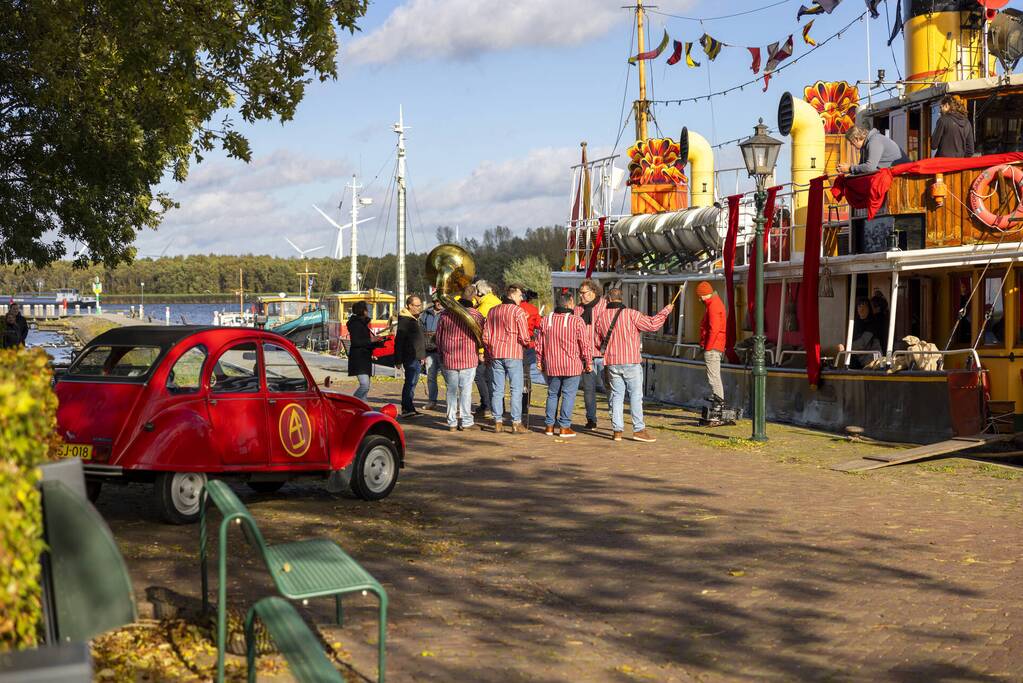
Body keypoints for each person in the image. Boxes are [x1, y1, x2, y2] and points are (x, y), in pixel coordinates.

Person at [595, 288, 673, 443]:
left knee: (617, 397)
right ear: (621, 298)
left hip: (611, 362)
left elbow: (598, 342)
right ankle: (639, 429)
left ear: (608, 300)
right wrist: (666, 311)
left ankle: (617, 431)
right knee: (636, 396)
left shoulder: (601, 317)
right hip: (630, 360)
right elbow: (652, 325)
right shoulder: (631, 314)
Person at [536, 292, 591, 438]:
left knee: (553, 394)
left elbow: (539, 344)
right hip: (572, 365)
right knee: (568, 395)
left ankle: (549, 426)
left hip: (552, 364)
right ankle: (564, 427)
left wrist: (539, 361)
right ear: (569, 304)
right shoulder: (577, 321)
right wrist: (588, 362)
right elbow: (584, 344)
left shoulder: (546, 320)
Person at [482, 284, 532, 434]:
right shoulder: (518, 312)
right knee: (516, 389)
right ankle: (516, 422)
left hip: (496, 353)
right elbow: (524, 337)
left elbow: (486, 336)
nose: (521, 298)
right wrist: (527, 342)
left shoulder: (492, 311)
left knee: (498, 389)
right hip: (513, 353)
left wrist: (490, 349)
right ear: (512, 295)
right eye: (519, 295)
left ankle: (498, 421)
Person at [434, 299, 485, 432]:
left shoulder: (445, 314)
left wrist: (440, 354)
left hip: (449, 357)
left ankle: (451, 422)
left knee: (451, 390)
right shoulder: (476, 315)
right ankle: (466, 421)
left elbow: (438, 337)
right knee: (466, 391)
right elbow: (481, 335)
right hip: (468, 357)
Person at [573, 278, 607, 430]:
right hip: (586, 357)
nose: (581, 296)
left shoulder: (605, 306)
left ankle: (616, 421)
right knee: (588, 391)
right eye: (579, 293)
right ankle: (591, 419)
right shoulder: (578, 310)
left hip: (604, 355)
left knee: (611, 390)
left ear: (593, 292)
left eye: (583, 293)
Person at [697, 282, 727, 422]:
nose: (700, 300)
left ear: (703, 295)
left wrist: (707, 347)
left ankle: (719, 408)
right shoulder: (715, 303)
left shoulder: (713, 306)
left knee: (713, 377)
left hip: (713, 347)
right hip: (716, 345)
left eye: (700, 297)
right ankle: (718, 406)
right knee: (715, 377)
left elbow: (714, 329)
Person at [394, 294, 426, 418]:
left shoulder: (413, 319)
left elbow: (417, 339)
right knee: (410, 382)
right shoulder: (405, 321)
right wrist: (398, 359)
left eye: (420, 305)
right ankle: (407, 408)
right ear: (409, 306)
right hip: (410, 357)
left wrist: (422, 355)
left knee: (412, 383)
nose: (419, 308)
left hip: (416, 357)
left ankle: (409, 407)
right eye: (416, 305)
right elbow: (399, 341)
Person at [472, 282, 500, 419]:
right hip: (497, 347)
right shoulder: (496, 301)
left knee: (479, 376)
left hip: (486, 348)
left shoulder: (484, 308)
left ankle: (488, 406)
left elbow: (481, 332)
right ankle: (487, 405)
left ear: (480, 293)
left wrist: (481, 351)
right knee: (490, 378)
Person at [346, 301, 383, 400]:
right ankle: (353, 402)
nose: (368, 311)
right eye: (367, 309)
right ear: (363, 311)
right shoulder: (356, 324)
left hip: (364, 358)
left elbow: (364, 341)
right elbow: (356, 342)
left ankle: (363, 408)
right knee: (364, 385)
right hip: (358, 359)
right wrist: (371, 339)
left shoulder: (362, 323)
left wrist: (378, 342)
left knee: (366, 388)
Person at [837, 125, 908, 175]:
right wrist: (848, 168)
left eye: (851, 142)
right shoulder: (865, 146)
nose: (852, 145)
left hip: (904, 176)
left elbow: (869, 167)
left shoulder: (874, 141)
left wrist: (850, 168)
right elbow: (863, 167)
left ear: (856, 138)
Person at [420, 296, 444, 410]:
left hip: (444, 351)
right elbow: (421, 330)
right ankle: (432, 401)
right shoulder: (426, 314)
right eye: (437, 301)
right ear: (434, 301)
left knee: (449, 378)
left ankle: (452, 403)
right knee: (430, 376)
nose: (439, 303)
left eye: (441, 301)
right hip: (429, 350)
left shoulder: (447, 313)